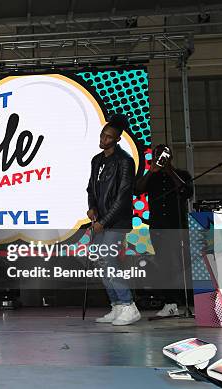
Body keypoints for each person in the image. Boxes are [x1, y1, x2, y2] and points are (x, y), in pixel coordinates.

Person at [86, 113, 141, 326]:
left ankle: (128, 306)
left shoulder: (125, 161)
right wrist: (91, 208)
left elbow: (123, 196)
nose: (104, 139)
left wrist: (104, 221)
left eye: (109, 137)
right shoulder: (96, 160)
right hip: (100, 221)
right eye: (103, 135)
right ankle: (117, 306)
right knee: (100, 262)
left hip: (116, 222)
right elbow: (91, 188)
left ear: (117, 139)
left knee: (108, 259)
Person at [135, 144, 193, 317]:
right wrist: (152, 171)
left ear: (170, 157)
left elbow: (186, 191)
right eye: (157, 156)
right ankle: (170, 302)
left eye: (163, 156)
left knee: (180, 265)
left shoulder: (182, 175)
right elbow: (137, 189)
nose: (160, 159)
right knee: (164, 265)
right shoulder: (152, 177)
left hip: (178, 226)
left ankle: (184, 301)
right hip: (158, 227)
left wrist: (169, 170)